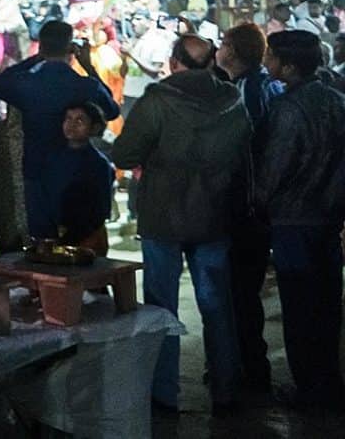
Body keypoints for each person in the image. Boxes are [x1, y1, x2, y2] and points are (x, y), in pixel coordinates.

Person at [111, 34, 250, 414]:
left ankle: (163, 393)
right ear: (209, 64)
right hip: (215, 214)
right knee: (217, 303)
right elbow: (244, 152)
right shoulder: (232, 99)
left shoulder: (158, 99)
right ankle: (226, 389)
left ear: (174, 62)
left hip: (163, 215)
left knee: (162, 308)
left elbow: (125, 152)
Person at [254, 30, 345, 411]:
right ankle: (328, 383)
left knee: (299, 307)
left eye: (272, 56)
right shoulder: (336, 100)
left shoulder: (287, 109)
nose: (266, 61)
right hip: (328, 215)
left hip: (294, 219)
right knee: (327, 304)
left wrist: (257, 202)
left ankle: (309, 389)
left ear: (288, 66)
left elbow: (275, 168)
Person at [0, 20, 119, 239]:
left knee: (42, 241)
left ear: (41, 46)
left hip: (35, 167)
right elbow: (112, 110)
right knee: (77, 236)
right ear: (70, 47)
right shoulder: (83, 84)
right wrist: (88, 66)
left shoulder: (27, 83)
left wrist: (37, 58)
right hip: (76, 169)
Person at [215, 22, 283, 391]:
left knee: (239, 291)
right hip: (254, 204)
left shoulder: (250, 89)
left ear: (235, 51)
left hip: (246, 205)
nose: (218, 49)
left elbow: (247, 146)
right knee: (243, 290)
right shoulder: (257, 84)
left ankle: (248, 369)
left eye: (224, 43)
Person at [50, 102, 115, 254]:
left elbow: (100, 209)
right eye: (68, 118)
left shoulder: (98, 164)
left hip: (87, 237)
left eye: (80, 120)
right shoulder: (54, 158)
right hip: (57, 233)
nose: (71, 124)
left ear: (95, 128)